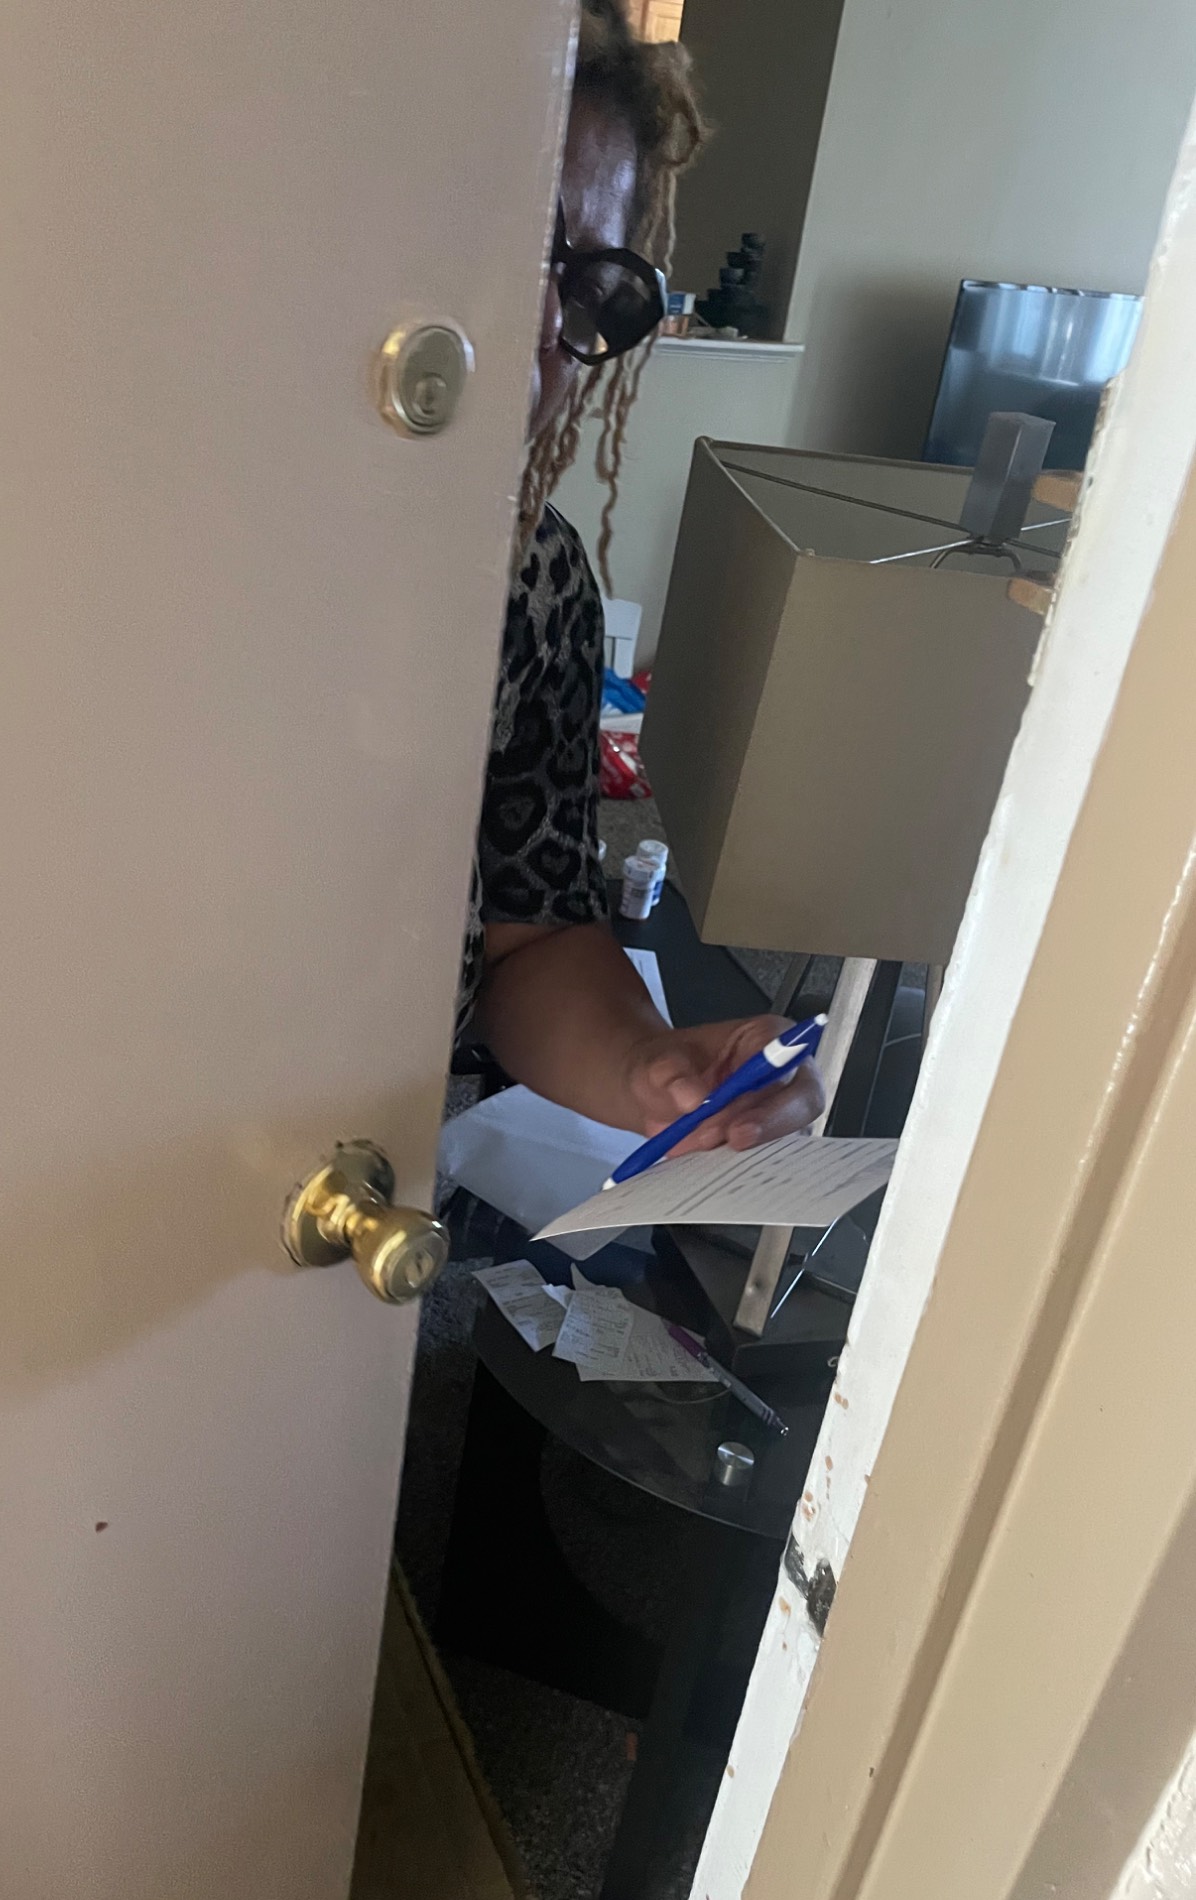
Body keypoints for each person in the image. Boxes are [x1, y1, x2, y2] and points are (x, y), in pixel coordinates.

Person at [460, 0, 824, 1153]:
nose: (541, 327)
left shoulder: (537, 581)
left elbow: (530, 934)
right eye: (500, 237)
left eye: (587, 287)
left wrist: (646, 1065)